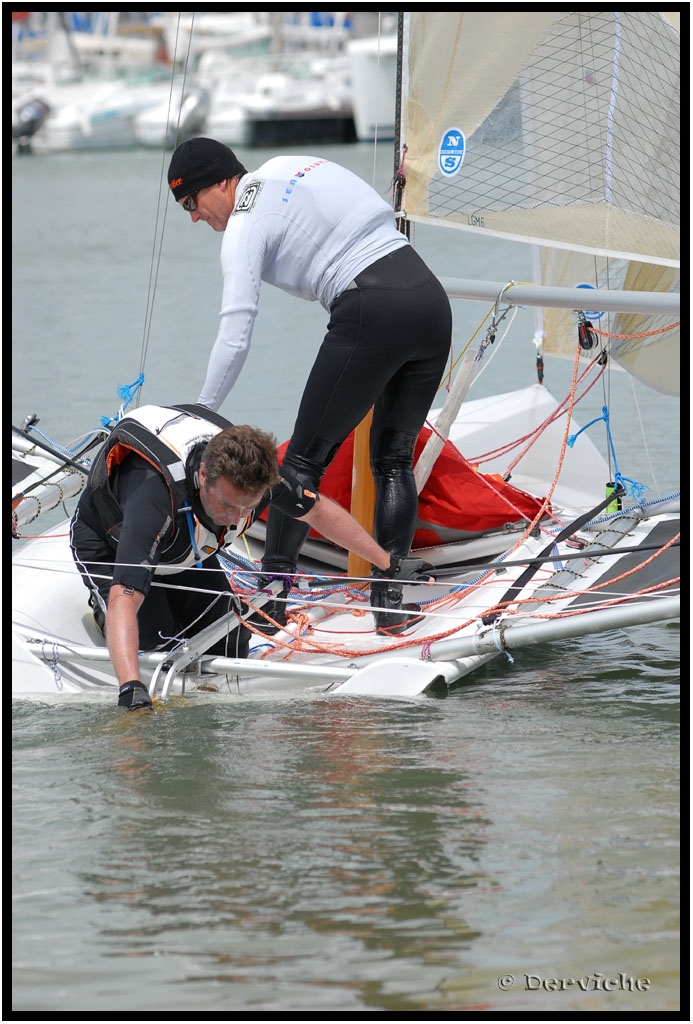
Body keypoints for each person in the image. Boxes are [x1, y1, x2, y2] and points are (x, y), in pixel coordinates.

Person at [167, 138, 451, 635]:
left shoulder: (242, 225)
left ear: (220, 183)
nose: (193, 217)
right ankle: (391, 605)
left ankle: (273, 603)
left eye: (190, 202)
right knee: (393, 460)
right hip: (431, 302)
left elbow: (236, 332)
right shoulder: (289, 165)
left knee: (297, 468)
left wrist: (200, 413)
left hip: (371, 309)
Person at [70, 403, 430, 711]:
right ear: (203, 475)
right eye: (227, 504)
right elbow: (125, 598)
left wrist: (388, 564)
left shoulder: (259, 479)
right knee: (162, 651)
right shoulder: (153, 499)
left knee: (230, 646)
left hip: (183, 548)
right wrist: (130, 687)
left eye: (248, 507)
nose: (236, 517)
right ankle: (101, 619)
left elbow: (317, 511)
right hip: (111, 544)